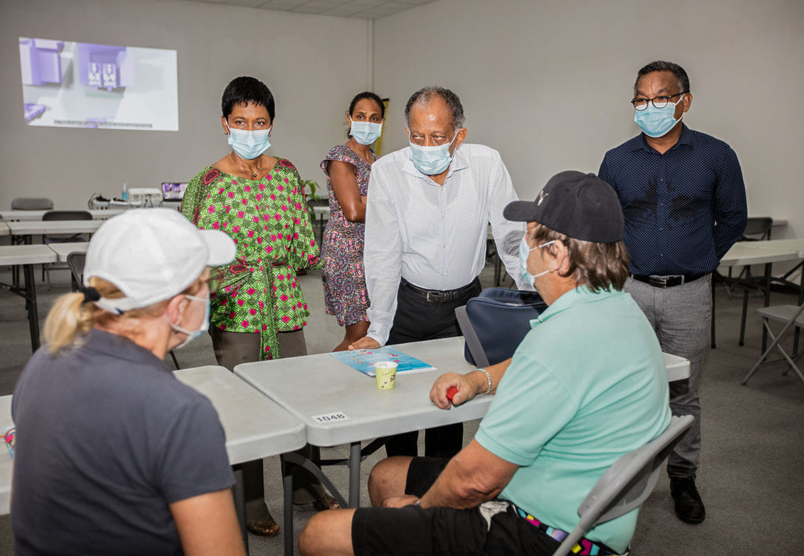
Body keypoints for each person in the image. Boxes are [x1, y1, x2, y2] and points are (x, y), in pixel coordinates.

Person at [300, 171, 672, 556]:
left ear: (558, 255)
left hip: (540, 531)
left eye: (530, 236)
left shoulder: (560, 340)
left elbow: (473, 482)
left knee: (320, 534)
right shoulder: (617, 311)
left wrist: (418, 513)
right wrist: (479, 379)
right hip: (578, 506)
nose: (523, 249)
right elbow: (544, 368)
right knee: (387, 473)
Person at [10, 209, 245, 555]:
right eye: (207, 284)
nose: (212, 296)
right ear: (178, 307)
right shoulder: (180, 413)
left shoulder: (43, 362)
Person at [181, 76, 333, 537]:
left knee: (298, 399)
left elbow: (306, 246)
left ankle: (307, 486)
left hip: (284, 303)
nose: (251, 129)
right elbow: (192, 258)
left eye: (260, 121)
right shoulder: (206, 185)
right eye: (241, 121)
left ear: (271, 124)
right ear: (225, 123)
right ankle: (250, 501)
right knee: (244, 411)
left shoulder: (287, 174)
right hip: (237, 308)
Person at [598, 61, 748, 524]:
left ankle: (684, 479)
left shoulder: (715, 155)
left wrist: (698, 259)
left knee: (683, 393)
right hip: (631, 291)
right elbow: (604, 223)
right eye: (641, 99)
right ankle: (624, 479)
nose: (649, 107)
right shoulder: (617, 159)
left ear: (684, 100)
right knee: (627, 387)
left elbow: (734, 219)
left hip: (690, 293)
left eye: (660, 98)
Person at [350, 86, 526, 459]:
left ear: (459, 135)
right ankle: (399, 485)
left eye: (437, 137)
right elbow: (382, 253)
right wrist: (378, 327)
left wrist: (535, 297)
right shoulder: (387, 172)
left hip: (464, 308)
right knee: (400, 411)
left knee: (451, 404)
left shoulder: (486, 164)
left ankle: (438, 501)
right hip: (409, 305)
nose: (425, 145)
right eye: (417, 136)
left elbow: (512, 235)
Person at [320, 92, 385, 351]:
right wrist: (383, 204)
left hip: (374, 253)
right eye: (361, 116)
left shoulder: (379, 164)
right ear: (349, 118)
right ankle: (327, 378)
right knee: (358, 334)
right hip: (346, 254)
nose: (367, 123)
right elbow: (353, 211)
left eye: (374, 118)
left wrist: (367, 199)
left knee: (373, 330)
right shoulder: (340, 157)